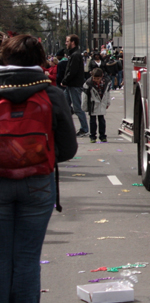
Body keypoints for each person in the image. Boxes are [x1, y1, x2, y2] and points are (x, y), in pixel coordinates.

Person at [0, 34, 77, 302]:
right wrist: (39, 155)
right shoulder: (51, 93)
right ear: (40, 60)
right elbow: (68, 149)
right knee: (28, 258)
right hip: (38, 185)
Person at [61, 34, 90, 137]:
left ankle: (84, 129)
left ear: (73, 42)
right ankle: (66, 128)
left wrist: (64, 81)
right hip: (71, 85)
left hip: (74, 85)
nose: (66, 43)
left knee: (77, 107)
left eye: (67, 41)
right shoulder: (74, 54)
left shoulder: (75, 55)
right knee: (64, 106)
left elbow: (72, 71)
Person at [81, 68, 111, 143]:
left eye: (98, 78)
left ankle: (102, 135)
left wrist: (108, 102)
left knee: (102, 120)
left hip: (101, 103)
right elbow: (84, 96)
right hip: (92, 104)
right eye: (94, 78)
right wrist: (84, 106)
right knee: (92, 121)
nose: (96, 80)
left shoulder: (106, 83)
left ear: (102, 76)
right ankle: (93, 136)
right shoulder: (88, 84)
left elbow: (107, 94)